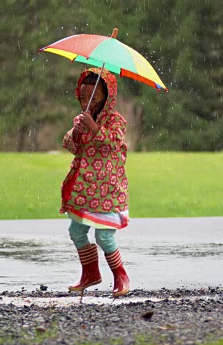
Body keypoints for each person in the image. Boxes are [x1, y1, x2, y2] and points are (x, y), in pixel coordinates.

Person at [60, 67, 130, 297]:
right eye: (82, 97)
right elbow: (70, 145)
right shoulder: (82, 119)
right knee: (76, 231)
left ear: (105, 97)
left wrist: (94, 127)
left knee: (104, 236)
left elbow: (113, 143)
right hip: (85, 190)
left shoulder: (116, 121)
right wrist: (77, 133)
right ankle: (90, 273)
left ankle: (120, 275)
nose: (87, 102)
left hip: (108, 191)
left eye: (93, 96)